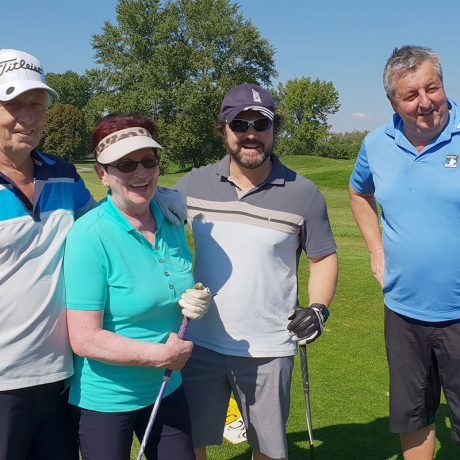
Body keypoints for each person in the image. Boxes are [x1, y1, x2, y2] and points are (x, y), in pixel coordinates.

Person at [0, 48, 191, 460]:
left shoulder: (62, 174)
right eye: (14, 104)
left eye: (37, 104)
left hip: (57, 374)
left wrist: (161, 196)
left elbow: (110, 218)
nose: (28, 117)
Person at [175, 83, 338, 460]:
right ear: (223, 129)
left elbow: (323, 257)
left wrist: (318, 308)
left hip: (270, 347)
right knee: (189, 441)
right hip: (199, 342)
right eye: (239, 124)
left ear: (274, 128)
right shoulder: (192, 184)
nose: (250, 134)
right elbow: (155, 234)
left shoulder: (305, 193)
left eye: (260, 124)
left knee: (267, 448)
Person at [63, 113, 213, 460]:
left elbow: (170, 284)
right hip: (107, 399)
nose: (141, 173)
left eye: (149, 160)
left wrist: (195, 297)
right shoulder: (89, 236)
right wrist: (162, 356)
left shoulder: (170, 219)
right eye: (126, 165)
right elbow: (85, 338)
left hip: (166, 388)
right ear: (103, 174)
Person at [349, 45, 460, 460]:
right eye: (410, 95)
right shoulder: (376, 143)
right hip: (403, 311)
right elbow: (359, 192)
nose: (425, 102)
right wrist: (376, 250)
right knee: (413, 417)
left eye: (433, 87)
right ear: (393, 102)